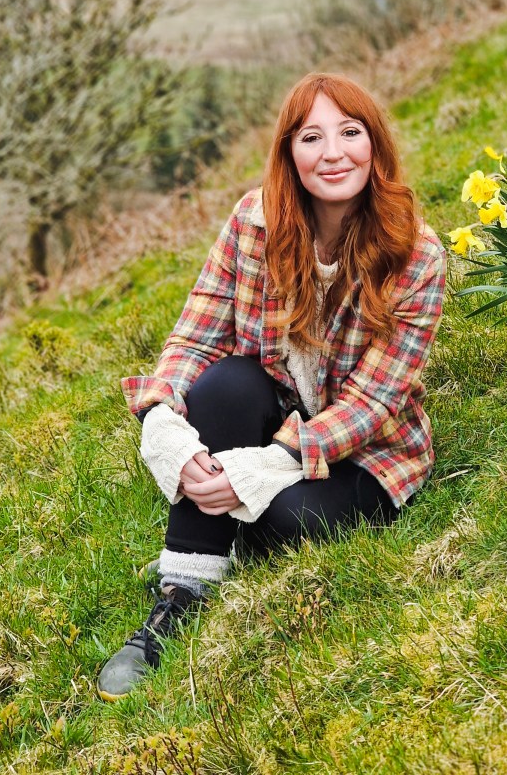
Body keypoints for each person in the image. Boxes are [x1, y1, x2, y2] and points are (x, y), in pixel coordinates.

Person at [97, 72, 446, 699]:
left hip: (365, 449)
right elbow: (197, 335)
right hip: (276, 409)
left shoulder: (416, 253)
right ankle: (182, 591)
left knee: (287, 520)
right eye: (312, 137)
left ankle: (212, 529)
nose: (333, 153)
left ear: (376, 145)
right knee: (222, 385)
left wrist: (276, 460)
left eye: (350, 132)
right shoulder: (253, 224)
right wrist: (161, 422)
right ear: (289, 152)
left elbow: (373, 402)